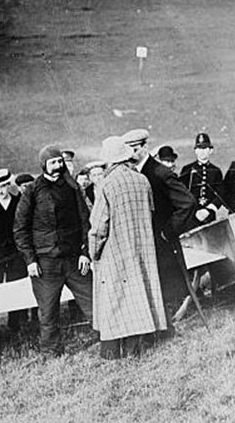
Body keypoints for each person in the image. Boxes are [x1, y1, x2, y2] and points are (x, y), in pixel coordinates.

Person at [89, 137, 167, 359]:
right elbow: (151, 213)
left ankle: (112, 353)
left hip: (114, 251)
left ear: (109, 161)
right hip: (142, 249)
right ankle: (135, 349)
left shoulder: (107, 184)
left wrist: (94, 253)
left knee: (114, 301)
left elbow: (98, 227)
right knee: (137, 297)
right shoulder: (142, 180)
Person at [13, 145, 93, 356]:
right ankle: (51, 351)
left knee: (93, 300)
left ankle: (106, 338)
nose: (58, 167)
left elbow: (85, 221)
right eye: (53, 163)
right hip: (45, 263)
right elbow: (20, 229)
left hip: (74, 260)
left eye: (60, 162)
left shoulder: (72, 187)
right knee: (48, 312)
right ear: (43, 166)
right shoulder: (32, 190)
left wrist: (85, 253)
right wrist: (30, 260)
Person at [122, 129, 196, 322]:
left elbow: (187, 202)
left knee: (169, 279)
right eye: (128, 150)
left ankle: (175, 316)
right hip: (145, 239)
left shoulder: (160, 172)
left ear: (145, 147)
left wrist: (168, 231)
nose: (131, 154)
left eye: (135, 149)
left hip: (161, 239)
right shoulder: (134, 172)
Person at [0, 169, 28, 347]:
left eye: (3, 186)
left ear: (9, 185)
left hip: (16, 256)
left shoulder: (19, 203)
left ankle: (16, 327)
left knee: (16, 290)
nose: (0, 190)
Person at [179, 133, 225, 227]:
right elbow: (182, 193)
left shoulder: (216, 171)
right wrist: (193, 210)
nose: (202, 151)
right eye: (199, 148)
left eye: (205, 148)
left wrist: (209, 209)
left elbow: (220, 194)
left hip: (209, 215)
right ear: (195, 151)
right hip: (191, 215)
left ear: (210, 150)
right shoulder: (187, 169)